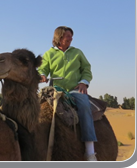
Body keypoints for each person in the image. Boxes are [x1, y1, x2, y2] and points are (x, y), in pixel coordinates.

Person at [37, 26, 98, 161]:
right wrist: (42, 75)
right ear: (59, 38)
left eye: (71, 36)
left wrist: (83, 82)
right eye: (67, 36)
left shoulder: (77, 52)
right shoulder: (49, 54)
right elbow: (43, 68)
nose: (71, 38)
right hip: (55, 90)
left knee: (84, 106)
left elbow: (86, 69)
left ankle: (90, 151)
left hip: (74, 89)